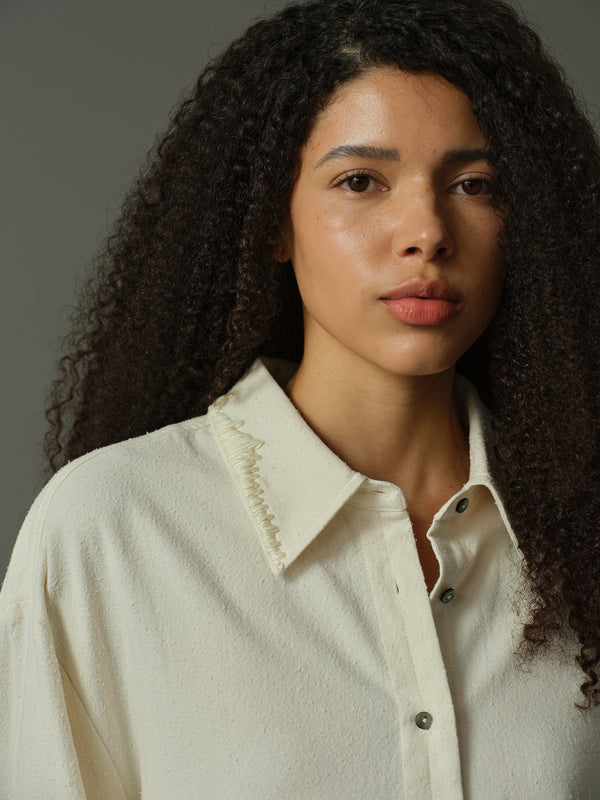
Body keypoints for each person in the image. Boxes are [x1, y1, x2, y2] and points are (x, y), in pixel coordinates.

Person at [1, 0, 599, 796]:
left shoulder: (580, 533)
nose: (426, 230)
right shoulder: (111, 533)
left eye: (474, 183)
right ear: (273, 223)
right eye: (361, 181)